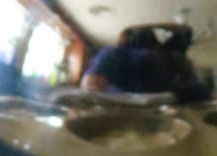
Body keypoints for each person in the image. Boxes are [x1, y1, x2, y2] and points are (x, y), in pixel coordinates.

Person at [81, 25, 210, 103]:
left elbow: (91, 84)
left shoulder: (119, 57)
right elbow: (91, 84)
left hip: (166, 92)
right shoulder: (116, 57)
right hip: (152, 96)